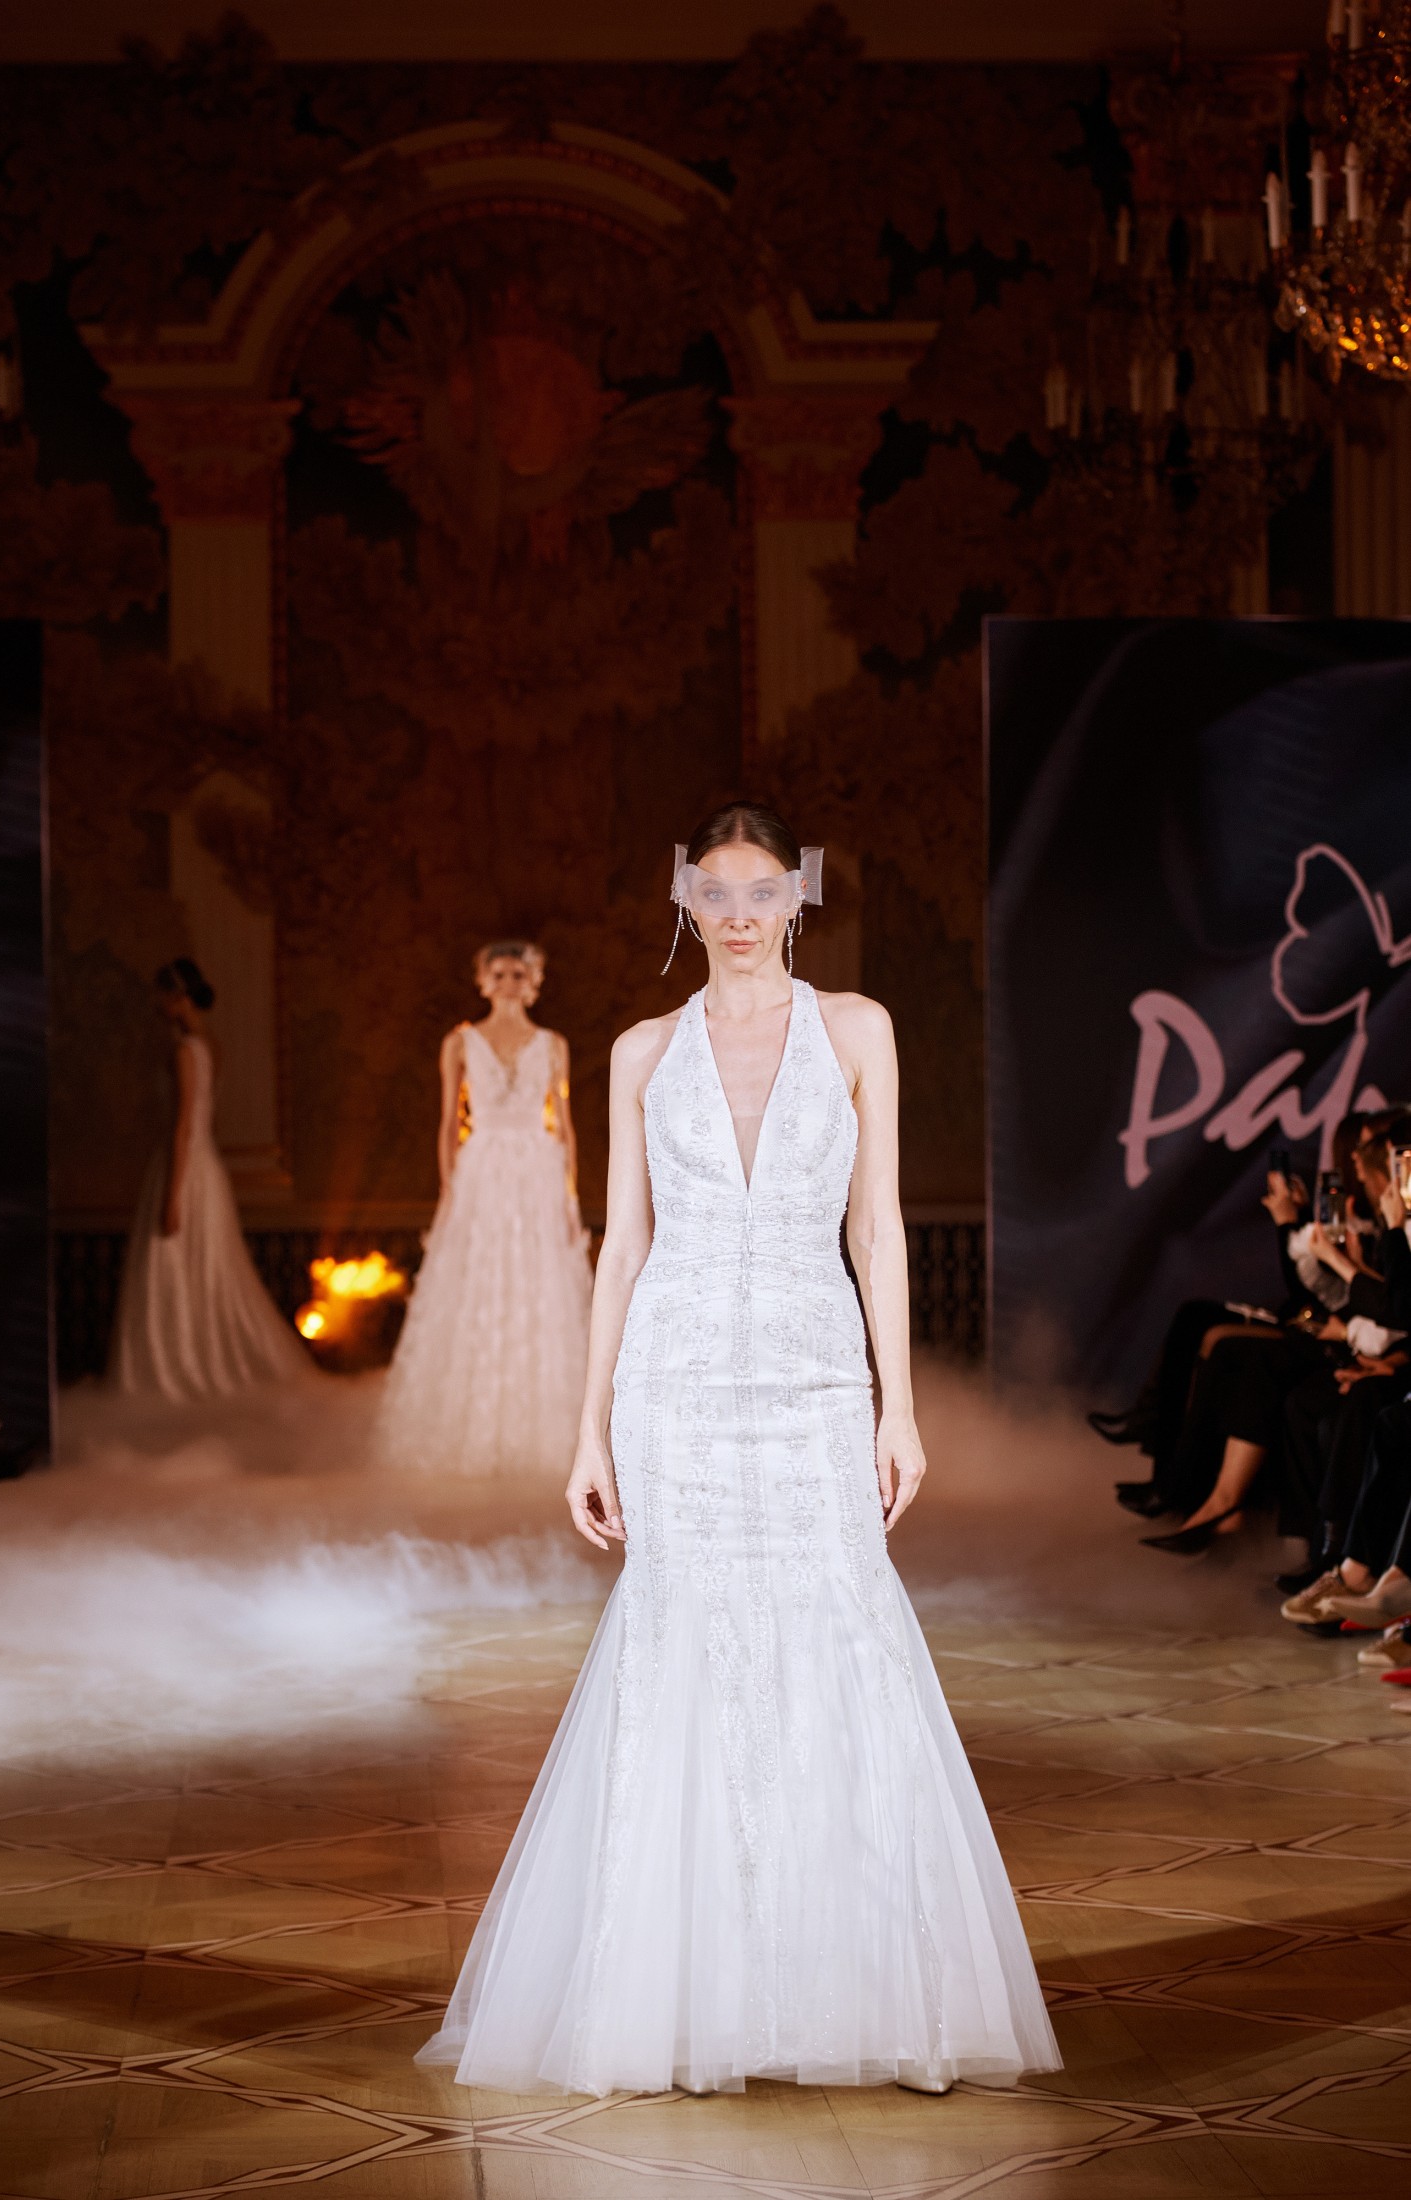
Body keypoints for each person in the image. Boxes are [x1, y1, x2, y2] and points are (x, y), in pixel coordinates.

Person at [418, 803, 1059, 2098]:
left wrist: (896, 1406)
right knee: (687, 1648)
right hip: (677, 1383)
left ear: (795, 897)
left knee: (840, 1634)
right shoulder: (640, 1050)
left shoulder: (858, 1029)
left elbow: (877, 1228)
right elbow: (622, 1247)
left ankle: (862, 1990)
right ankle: (683, 1998)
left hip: (817, 1373)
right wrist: (588, 1428)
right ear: (685, 902)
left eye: (761, 889)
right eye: (714, 891)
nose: (738, 913)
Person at [376, 940, 591, 1478]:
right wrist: (449, 1189)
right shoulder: (460, 1041)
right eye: (498, 973)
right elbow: (449, 1121)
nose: (507, 981)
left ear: (533, 981)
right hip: (482, 1171)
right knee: (475, 1278)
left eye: (517, 972)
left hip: (537, 1171)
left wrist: (571, 1199)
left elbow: (565, 1126)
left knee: (540, 1285)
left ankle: (545, 1432)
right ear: (482, 981)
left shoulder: (553, 1044)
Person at [109, 960, 308, 1402]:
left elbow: (184, 1126)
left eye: (161, 993)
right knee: (202, 1269)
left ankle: (177, 1372)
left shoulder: (185, 1051)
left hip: (184, 1168)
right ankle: (192, 1361)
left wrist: (173, 1196)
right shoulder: (211, 1046)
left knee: (176, 1266)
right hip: (204, 1167)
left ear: (178, 997)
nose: (155, 1003)